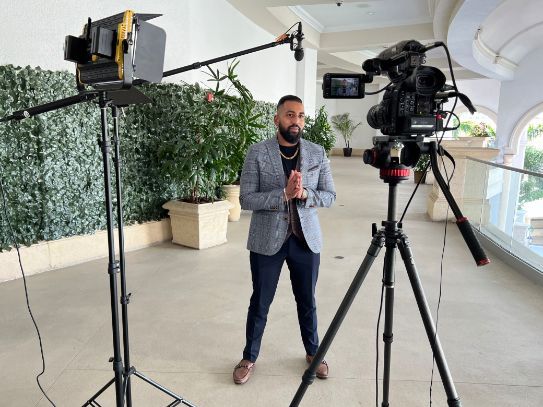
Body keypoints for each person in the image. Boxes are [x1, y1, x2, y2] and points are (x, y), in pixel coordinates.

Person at [233, 95, 336, 385]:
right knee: (260, 302)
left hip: (306, 241)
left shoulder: (317, 153)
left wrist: (304, 194)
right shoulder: (257, 152)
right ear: (277, 119)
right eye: (290, 115)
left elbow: (330, 196)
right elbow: (245, 199)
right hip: (268, 241)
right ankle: (249, 356)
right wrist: (283, 194)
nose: (297, 121)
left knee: (307, 301)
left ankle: (314, 353)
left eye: (301, 116)